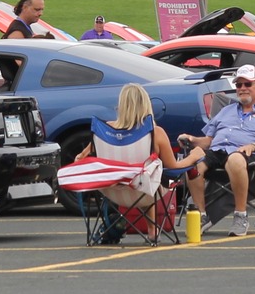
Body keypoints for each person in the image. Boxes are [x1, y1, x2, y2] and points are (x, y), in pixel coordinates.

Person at [73, 83, 205, 233]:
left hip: (111, 191)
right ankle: (152, 231)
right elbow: (173, 167)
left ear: (121, 105)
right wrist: (194, 156)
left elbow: (80, 159)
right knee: (149, 175)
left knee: (143, 175)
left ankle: (152, 229)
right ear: (146, 105)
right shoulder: (155, 132)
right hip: (145, 190)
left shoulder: (104, 131)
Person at [179, 65, 255, 237]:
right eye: (238, 85)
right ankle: (202, 215)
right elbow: (209, 140)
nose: (242, 88)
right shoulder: (226, 110)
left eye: (247, 84)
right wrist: (192, 139)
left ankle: (240, 216)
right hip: (217, 150)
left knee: (235, 159)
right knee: (192, 163)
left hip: (249, 155)